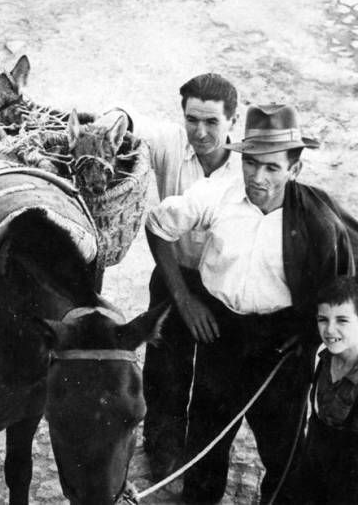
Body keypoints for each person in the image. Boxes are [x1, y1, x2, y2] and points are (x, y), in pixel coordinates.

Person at [145, 104, 358, 503]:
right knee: (205, 446)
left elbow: (338, 288)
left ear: (294, 170)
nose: (258, 178)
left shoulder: (318, 222)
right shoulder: (216, 195)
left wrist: (308, 337)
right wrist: (186, 300)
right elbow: (158, 225)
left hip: (281, 348)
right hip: (220, 335)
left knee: (284, 456)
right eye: (251, 164)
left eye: (273, 168)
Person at [94, 73, 241, 479]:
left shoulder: (249, 167)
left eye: (212, 122)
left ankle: (202, 466)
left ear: (234, 120)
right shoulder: (172, 142)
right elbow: (125, 116)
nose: (200, 131)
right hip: (174, 273)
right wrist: (117, 117)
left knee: (215, 380)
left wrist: (200, 303)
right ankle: (162, 451)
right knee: (165, 371)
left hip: (223, 284)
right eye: (193, 119)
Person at [296, 276, 358, 504]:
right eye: (323, 320)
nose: (329, 330)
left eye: (342, 320)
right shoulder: (321, 358)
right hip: (316, 474)